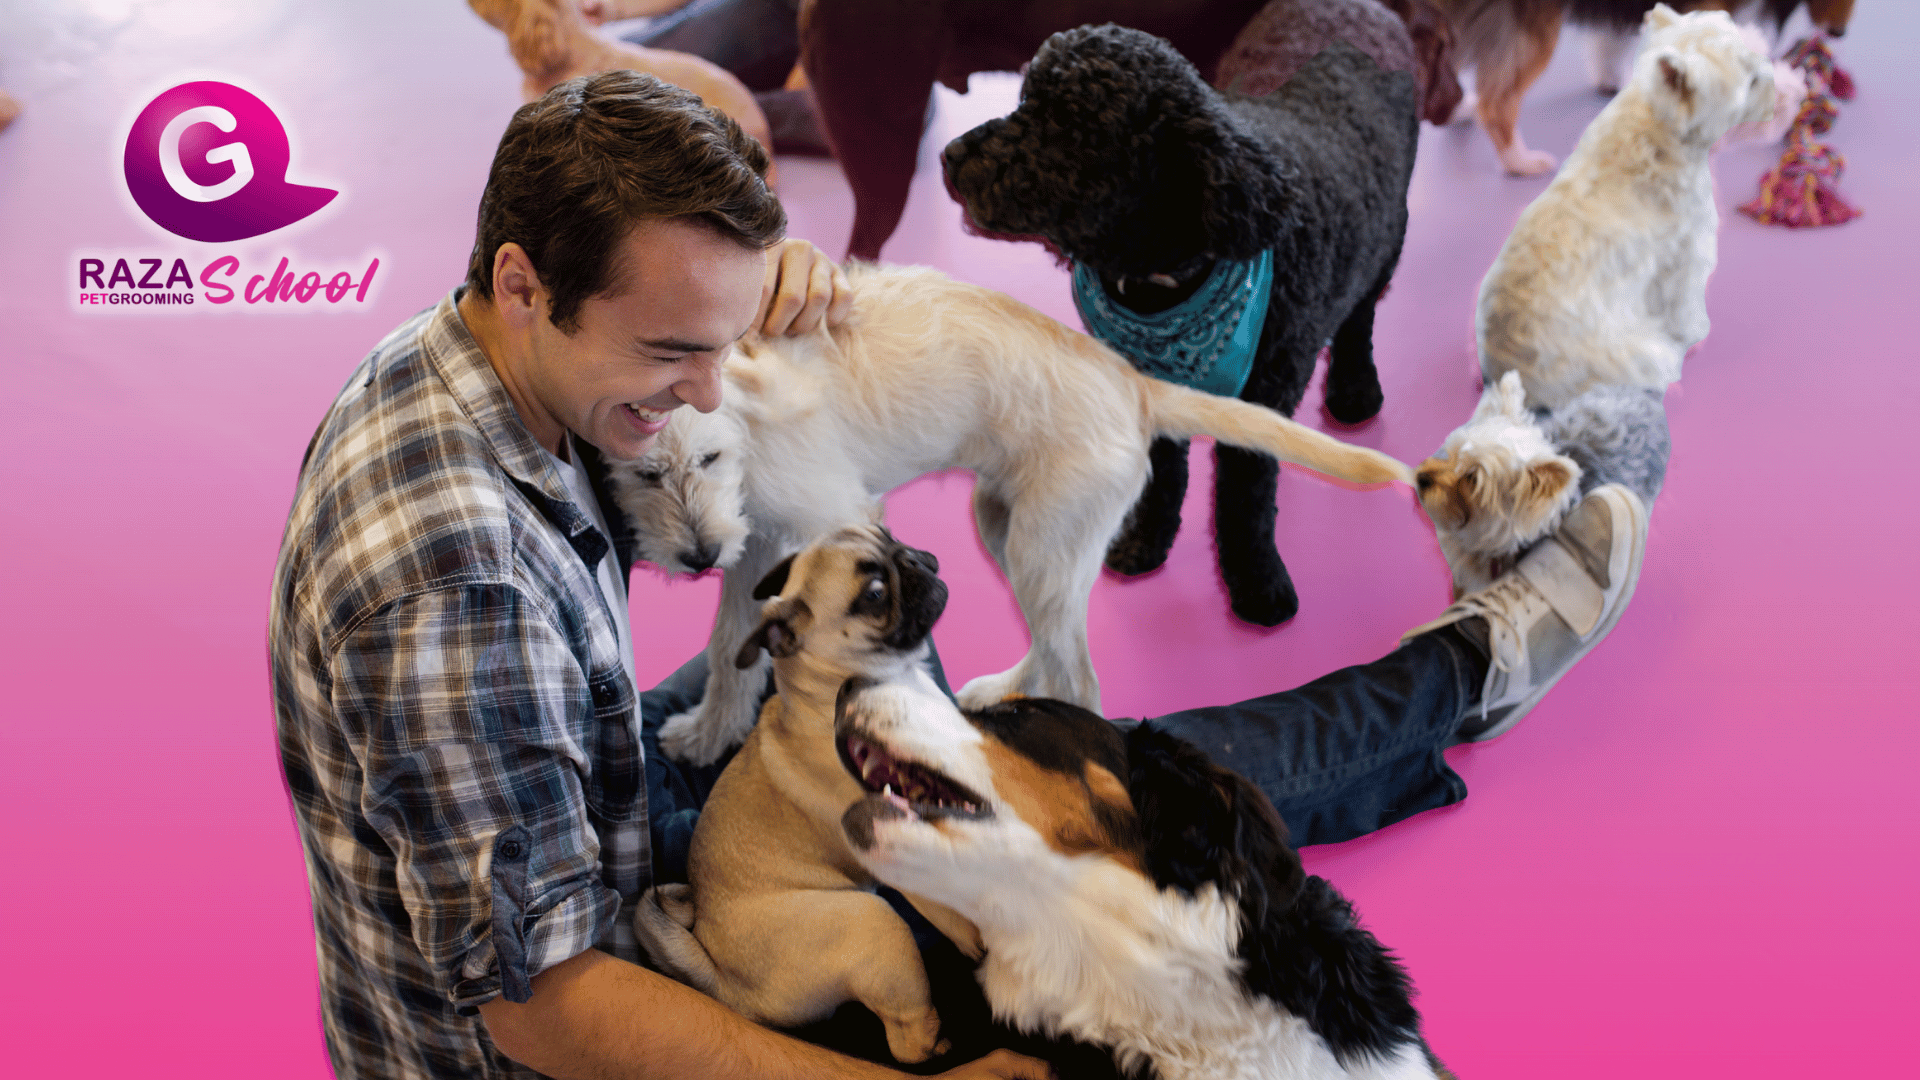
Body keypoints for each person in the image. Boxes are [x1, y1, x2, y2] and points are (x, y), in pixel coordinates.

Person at [271, 69, 1647, 1080]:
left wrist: (776, 298)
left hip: (598, 801)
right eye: (670, 354)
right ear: (524, 281)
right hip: (590, 995)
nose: (707, 393)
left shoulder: (498, 350)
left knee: (1063, 768)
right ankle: (1468, 670)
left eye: (722, 337)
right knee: (1158, 813)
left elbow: (689, 364)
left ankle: (1445, 688)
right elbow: (547, 1006)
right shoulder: (456, 590)